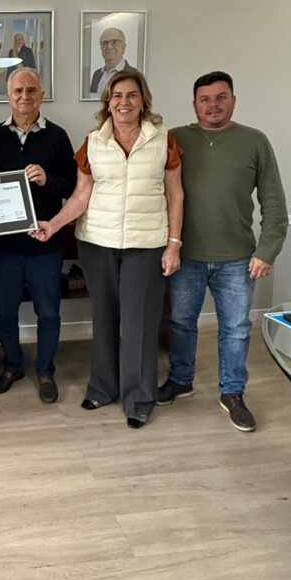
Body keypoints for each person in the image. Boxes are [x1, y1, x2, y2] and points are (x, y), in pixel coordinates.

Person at [33, 69, 183, 427]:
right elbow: (81, 195)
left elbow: (175, 194)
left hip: (146, 245)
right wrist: (53, 224)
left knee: (139, 323)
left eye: (131, 95)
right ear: (108, 102)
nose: (124, 102)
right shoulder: (93, 142)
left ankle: (139, 398)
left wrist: (174, 244)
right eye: (117, 96)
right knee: (103, 319)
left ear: (143, 100)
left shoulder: (163, 140)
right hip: (98, 244)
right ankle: (102, 388)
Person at [158, 71, 287, 432]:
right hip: (185, 255)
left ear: (233, 100)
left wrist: (267, 250)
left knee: (236, 329)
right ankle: (181, 379)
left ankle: (232, 392)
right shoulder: (175, 139)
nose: (213, 105)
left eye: (220, 97)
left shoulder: (254, 141)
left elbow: (274, 202)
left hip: (238, 259)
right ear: (194, 104)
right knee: (181, 323)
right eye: (205, 99)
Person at [0, 68, 77, 404]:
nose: (24, 96)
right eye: (18, 91)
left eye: (31, 90)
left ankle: (46, 370)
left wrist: (48, 179)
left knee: (48, 312)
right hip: (5, 245)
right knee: (5, 312)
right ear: (8, 96)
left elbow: (74, 187)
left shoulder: (57, 136)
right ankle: (13, 365)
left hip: (44, 243)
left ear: (41, 95)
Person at [90, 27, 134, 94]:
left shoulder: (133, 75)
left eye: (114, 42)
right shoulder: (97, 74)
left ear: (123, 47)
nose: (109, 47)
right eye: (105, 43)